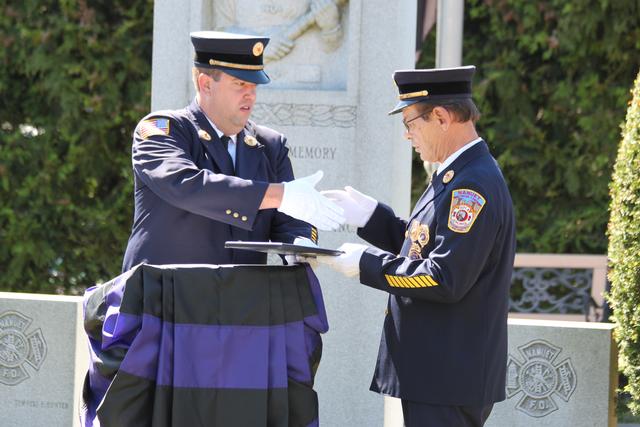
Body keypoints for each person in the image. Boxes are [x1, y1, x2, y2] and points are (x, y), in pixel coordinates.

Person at [319, 65, 516, 426]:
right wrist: (371, 217)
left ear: (440, 117)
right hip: (439, 372)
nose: (407, 135)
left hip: (447, 375)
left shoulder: (470, 186)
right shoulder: (457, 172)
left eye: (410, 123)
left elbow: (445, 277)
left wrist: (367, 263)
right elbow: (424, 245)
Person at [121, 31, 344, 271]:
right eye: (240, 84)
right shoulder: (162, 129)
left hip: (239, 301)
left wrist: (300, 244)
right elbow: (184, 183)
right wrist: (279, 194)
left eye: (254, 85)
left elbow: (288, 219)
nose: (251, 94)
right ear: (206, 84)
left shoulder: (270, 145)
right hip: (164, 297)